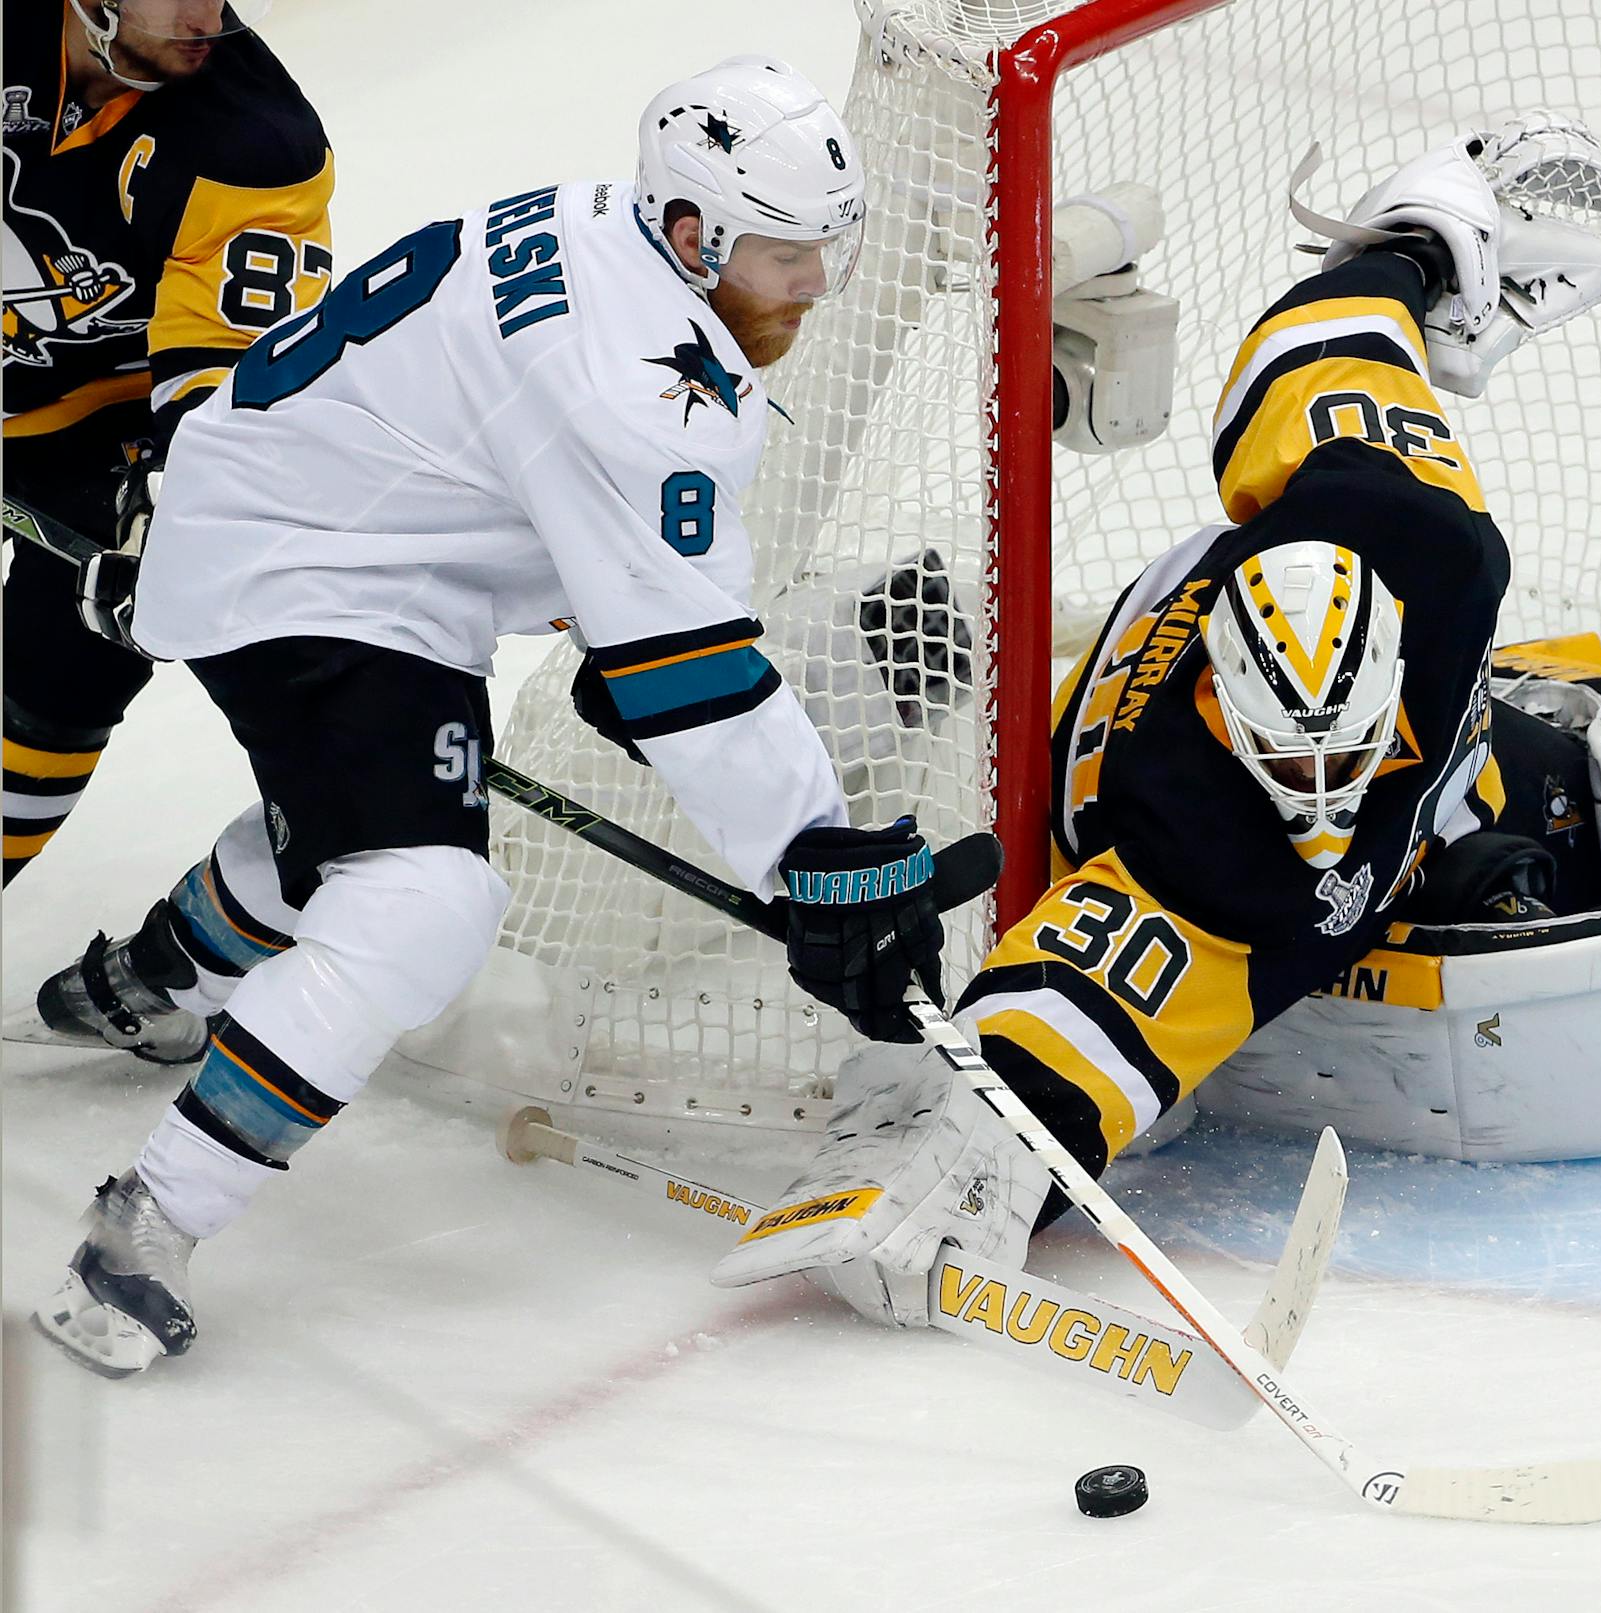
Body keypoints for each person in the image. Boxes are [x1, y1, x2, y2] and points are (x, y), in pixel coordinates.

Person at [33, 56, 956, 1379]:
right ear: (694, 232)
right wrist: (811, 852)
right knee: (420, 898)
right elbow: (685, 662)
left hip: (319, 520)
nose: (816, 283)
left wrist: (623, 635)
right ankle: (141, 1231)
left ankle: (146, 980)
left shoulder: (610, 229)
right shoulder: (636, 378)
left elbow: (578, 519)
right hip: (313, 575)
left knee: (357, 822)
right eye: (789, 254)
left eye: (833, 247)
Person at [709, 118, 1601, 1324]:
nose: (1315, 789)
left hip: (1300, 626)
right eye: (1285, 754)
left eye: (1339, 749)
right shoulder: (1207, 847)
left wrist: (1416, 249)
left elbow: (1313, 360)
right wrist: (967, 1176)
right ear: (1231, 710)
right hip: (1093, 786)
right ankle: (889, 635)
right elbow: (1068, 1034)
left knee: (1579, 760)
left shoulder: (1432, 552)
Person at [3, 0, 333, 883]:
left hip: (106, 431)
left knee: (71, 655)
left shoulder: (257, 137)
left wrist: (173, 504)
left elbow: (225, 389)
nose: (204, 15)